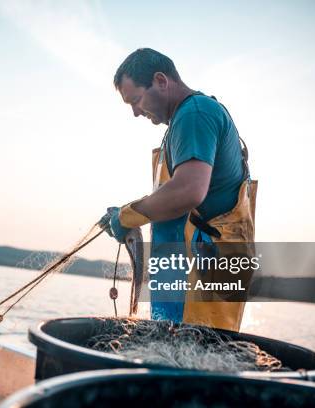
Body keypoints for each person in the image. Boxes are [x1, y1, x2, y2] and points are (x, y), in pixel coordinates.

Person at [102, 48, 257, 331]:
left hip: (202, 279)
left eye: (136, 100)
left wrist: (127, 217)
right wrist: (125, 216)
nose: (136, 113)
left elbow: (188, 190)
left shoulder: (195, 114)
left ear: (161, 80)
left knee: (191, 362)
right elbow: (174, 196)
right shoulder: (183, 122)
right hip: (183, 278)